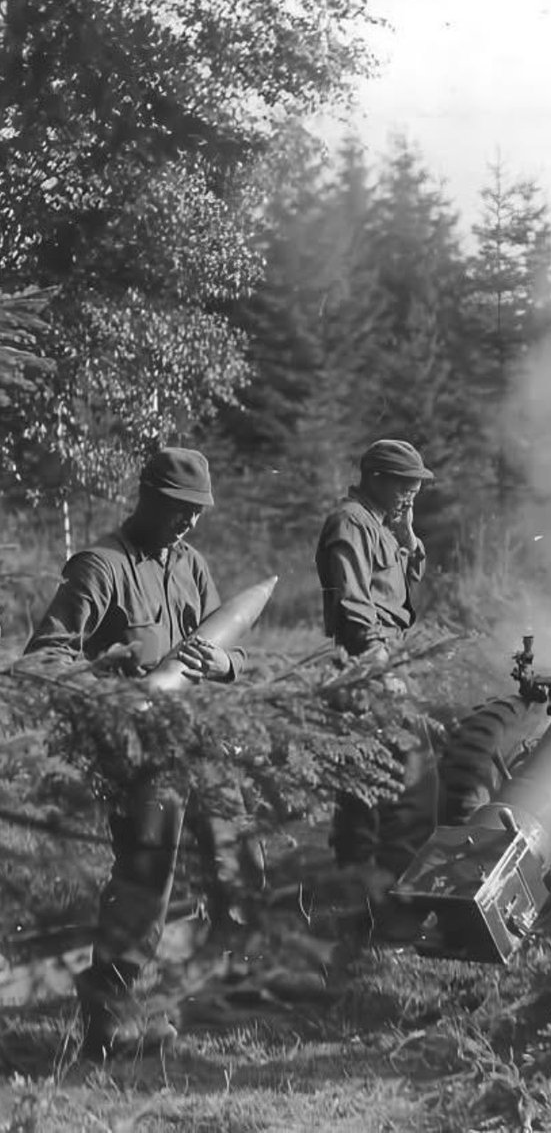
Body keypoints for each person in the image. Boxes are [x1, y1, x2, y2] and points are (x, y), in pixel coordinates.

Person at [22, 447, 262, 1059]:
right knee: (145, 878)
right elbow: (44, 657)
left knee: (238, 856)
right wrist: (114, 679)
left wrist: (225, 664)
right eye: (180, 509)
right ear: (148, 497)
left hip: (199, 738)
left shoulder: (193, 565)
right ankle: (111, 1015)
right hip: (137, 749)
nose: (189, 522)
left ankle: (228, 984)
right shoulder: (99, 568)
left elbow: (228, 643)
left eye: (198, 512)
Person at [315, 439, 438, 897]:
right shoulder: (350, 523)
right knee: (401, 787)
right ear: (376, 479)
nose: (412, 492)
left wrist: (406, 532)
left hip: (387, 659)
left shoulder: (381, 526)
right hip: (370, 663)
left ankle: (373, 895)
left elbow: (403, 584)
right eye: (405, 483)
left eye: (417, 485)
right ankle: (380, 900)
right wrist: (379, 667)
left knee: (378, 783)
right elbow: (352, 604)